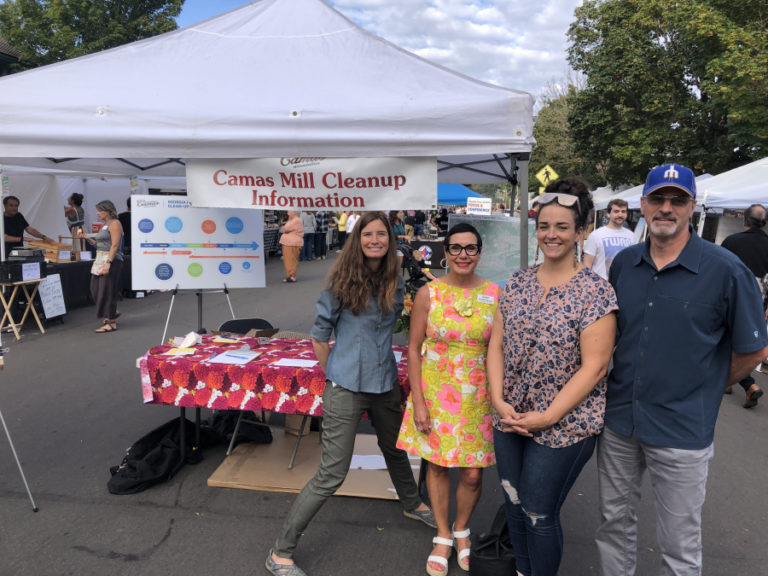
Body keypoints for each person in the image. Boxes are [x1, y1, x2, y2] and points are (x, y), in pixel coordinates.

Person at [595, 164, 768, 576]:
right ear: (642, 205)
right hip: (620, 422)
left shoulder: (726, 270)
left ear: (692, 206)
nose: (666, 208)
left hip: (683, 430)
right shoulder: (624, 264)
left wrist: (706, 385)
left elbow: (754, 349)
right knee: (613, 528)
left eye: (677, 200)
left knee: (679, 547)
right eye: (658, 198)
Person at [266, 211, 436, 576]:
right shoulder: (341, 282)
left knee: (396, 449)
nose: (375, 240)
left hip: (385, 384)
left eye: (382, 235)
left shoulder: (396, 279)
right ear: (357, 239)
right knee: (332, 473)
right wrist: (334, 376)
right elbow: (318, 335)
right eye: (368, 234)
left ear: (390, 240)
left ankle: (411, 502)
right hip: (345, 386)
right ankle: (280, 551)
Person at [487, 177, 618, 576]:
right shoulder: (518, 281)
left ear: (580, 232)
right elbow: (496, 344)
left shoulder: (595, 292)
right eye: (545, 226)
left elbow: (594, 367)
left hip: (564, 425)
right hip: (509, 416)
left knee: (538, 512)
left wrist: (547, 416)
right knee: (513, 502)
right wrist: (497, 399)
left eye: (562, 227)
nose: (551, 234)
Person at [397, 223, 499, 576]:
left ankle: (462, 529)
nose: (463, 255)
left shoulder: (495, 294)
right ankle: (443, 534)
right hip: (436, 393)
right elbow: (412, 350)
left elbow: (498, 351)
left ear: (479, 253)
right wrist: (419, 402)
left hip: (479, 396)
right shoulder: (429, 293)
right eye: (455, 248)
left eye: (470, 248)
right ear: (445, 252)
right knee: (438, 465)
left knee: (472, 474)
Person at [721, 203, 768, 408]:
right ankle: (735, 383)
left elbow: (718, 271)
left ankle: (745, 384)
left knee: (725, 339)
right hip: (760, 300)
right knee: (747, 340)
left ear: (745, 220)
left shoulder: (732, 241)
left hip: (732, 297)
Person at [77, 200, 124, 333]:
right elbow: (100, 245)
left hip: (111, 260)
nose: (97, 213)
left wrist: (108, 263)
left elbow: (115, 245)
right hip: (100, 259)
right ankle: (112, 312)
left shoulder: (115, 223)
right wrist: (86, 238)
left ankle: (110, 322)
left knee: (106, 290)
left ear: (108, 211)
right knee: (95, 289)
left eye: (99, 210)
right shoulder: (105, 225)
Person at [583, 198, 636, 279]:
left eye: (623, 211)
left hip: (623, 286)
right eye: (616, 211)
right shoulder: (596, 235)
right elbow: (587, 265)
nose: (620, 215)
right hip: (600, 287)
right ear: (608, 214)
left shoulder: (631, 236)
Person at [279, 210, 303, 283]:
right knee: (292, 259)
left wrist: (283, 229)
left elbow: (285, 229)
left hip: (290, 243)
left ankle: (291, 276)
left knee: (289, 259)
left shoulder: (295, 220)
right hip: (294, 242)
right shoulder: (295, 220)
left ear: (294, 212)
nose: (287, 213)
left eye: (289, 211)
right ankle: (291, 275)